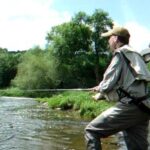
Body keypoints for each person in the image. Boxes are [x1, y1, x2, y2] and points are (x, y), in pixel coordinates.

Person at [85, 26, 150, 150]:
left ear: (115, 39)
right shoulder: (134, 55)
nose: (108, 41)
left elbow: (108, 83)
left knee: (91, 131)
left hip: (131, 106)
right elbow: (126, 84)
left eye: (109, 38)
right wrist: (101, 91)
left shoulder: (120, 54)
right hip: (144, 107)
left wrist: (100, 90)